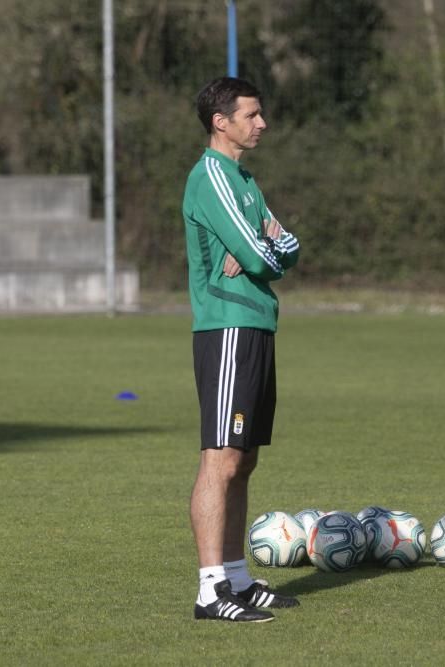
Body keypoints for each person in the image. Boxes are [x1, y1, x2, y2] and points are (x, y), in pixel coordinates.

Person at [182, 76, 301, 623]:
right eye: (251, 114)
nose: (262, 123)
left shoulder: (245, 180)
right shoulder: (212, 176)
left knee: (245, 458)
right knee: (220, 458)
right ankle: (211, 591)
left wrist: (265, 247)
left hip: (257, 323)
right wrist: (264, 248)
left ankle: (236, 576)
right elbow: (261, 258)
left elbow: (287, 247)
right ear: (220, 122)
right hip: (227, 326)